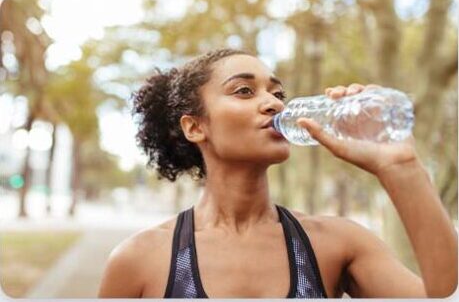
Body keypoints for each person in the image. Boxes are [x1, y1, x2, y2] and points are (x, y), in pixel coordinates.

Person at [98, 48, 457, 298]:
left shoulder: (335, 243)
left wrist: (401, 168)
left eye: (277, 91)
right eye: (243, 91)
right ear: (194, 127)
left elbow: (438, 293)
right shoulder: (140, 260)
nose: (274, 103)